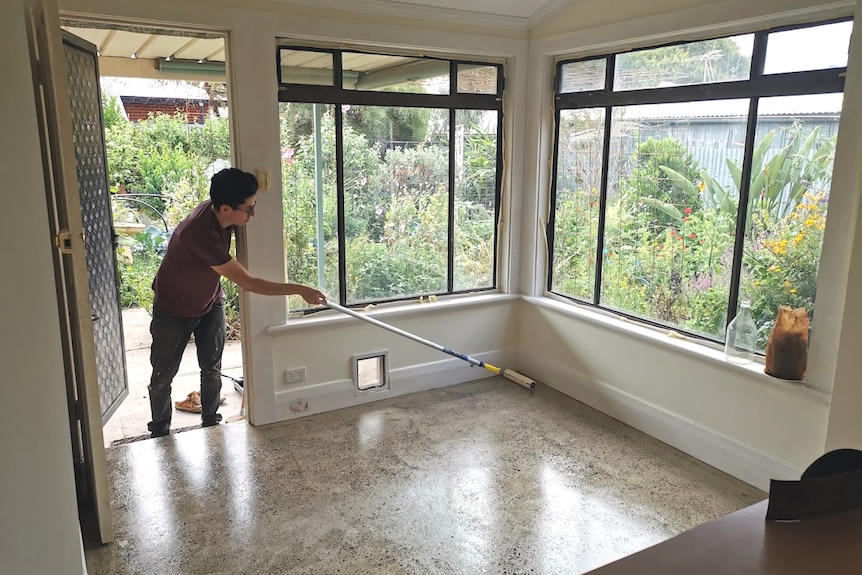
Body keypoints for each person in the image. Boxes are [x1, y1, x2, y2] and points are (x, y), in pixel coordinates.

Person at [147, 167, 326, 437]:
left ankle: (211, 426)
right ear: (226, 208)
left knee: (212, 368)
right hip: (173, 308)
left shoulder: (216, 210)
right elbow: (250, 283)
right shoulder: (201, 236)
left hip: (209, 303)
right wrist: (300, 290)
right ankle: (159, 432)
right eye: (248, 209)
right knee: (162, 375)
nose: (252, 214)